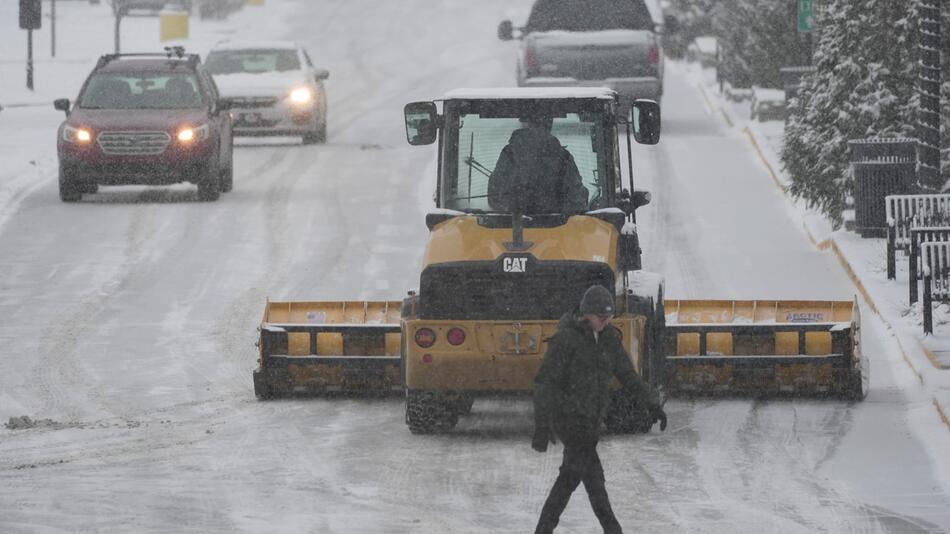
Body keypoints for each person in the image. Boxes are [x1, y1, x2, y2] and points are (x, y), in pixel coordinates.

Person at [532, 284, 667, 534]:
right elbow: (545, 382)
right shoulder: (566, 339)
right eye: (601, 317)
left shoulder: (608, 340)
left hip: (592, 421)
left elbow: (628, 375)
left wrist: (652, 404)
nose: (605, 321)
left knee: (578, 479)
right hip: (570, 420)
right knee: (585, 481)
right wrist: (542, 424)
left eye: (608, 317)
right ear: (586, 314)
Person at [487, 114, 589, 214]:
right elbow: (576, 201)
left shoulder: (509, 154)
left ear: (526, 123)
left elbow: (495, 196)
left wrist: (517, 208)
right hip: (557, 228)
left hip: (512, 227)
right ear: (549, 125)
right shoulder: (563, 157)